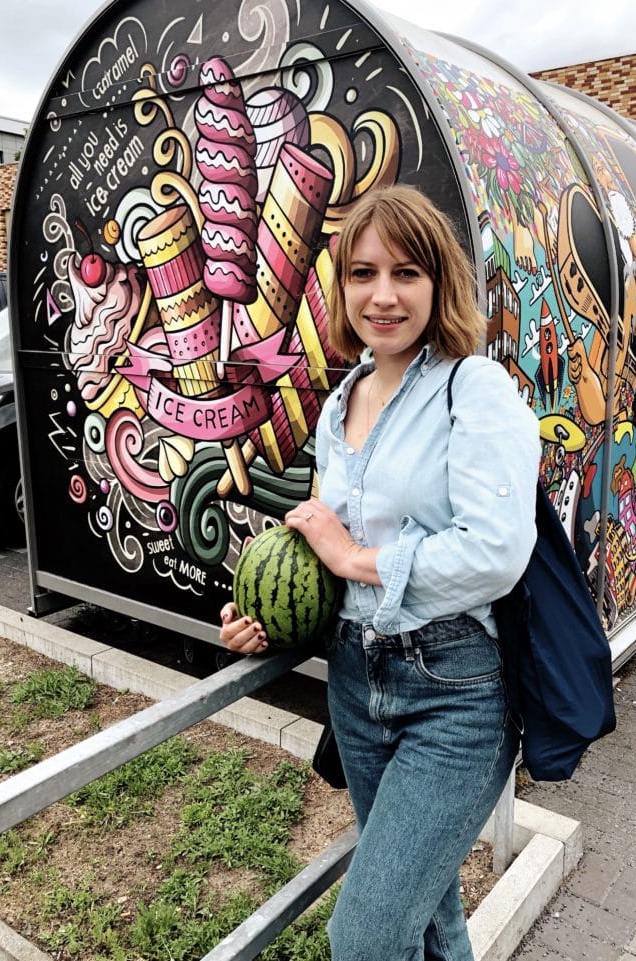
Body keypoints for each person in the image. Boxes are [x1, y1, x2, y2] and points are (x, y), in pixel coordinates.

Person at [220, 185, 540, 961]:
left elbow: (494, 552)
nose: (384, 295)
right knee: (430, 915)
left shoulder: (476, 390)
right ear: (342, 287)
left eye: (406, 273)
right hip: (356, 682)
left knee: (363, 935)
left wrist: (352, 558)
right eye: (362, 273)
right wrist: (269, 619)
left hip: (455, 692)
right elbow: (323, 559)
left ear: (439, 282)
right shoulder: (340, 405)